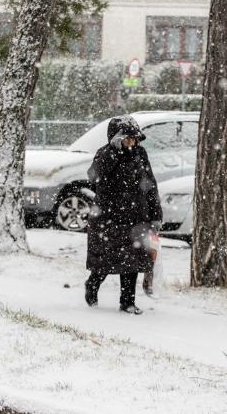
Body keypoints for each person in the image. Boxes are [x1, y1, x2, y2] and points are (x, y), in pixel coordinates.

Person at [85, 115, 162, 315]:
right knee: (105, 260)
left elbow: (150, 184)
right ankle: (92, 285)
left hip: (137, 217)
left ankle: (127, 301)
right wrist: (113, 151)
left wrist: (155, 213)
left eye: (135, 139)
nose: (132, 143)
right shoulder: (105, 154)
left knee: (133, 262)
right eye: (128, 139)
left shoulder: (140, 154)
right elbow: (94, 176)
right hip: (109, 218)